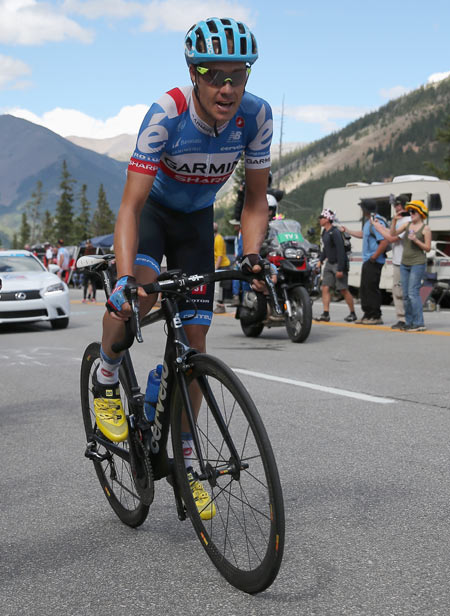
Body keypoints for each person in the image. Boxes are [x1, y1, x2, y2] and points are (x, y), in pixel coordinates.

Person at [93, 17, 272, 519]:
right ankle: (106, 376)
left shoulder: (256, 117)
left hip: (196, 223)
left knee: (195, 346)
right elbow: (129, 207)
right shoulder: (167, 114)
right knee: (141, 296)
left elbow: (256, 201)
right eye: (215, 75)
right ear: (194, 73)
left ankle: (188, 461)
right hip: (153, 215)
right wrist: (125, 281)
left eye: (238, 75)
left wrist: (252, 256)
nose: (228, 88)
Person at [373, 200, 431, 332]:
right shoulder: (407, 224)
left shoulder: (425, 228)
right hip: (405, 263)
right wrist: (394, 221)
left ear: (421, 213)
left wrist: (416, 240)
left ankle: (419, 322)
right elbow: (392, 234)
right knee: (405, 294)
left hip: (418, 263)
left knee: (413, 293)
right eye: (410, 211)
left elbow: (427, 248)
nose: (411, 213)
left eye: (414, 211)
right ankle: (409, 322)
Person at [341, 200, 389, 324]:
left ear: (366, 210)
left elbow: (384, 241)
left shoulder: (377, 222)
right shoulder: (369, 223)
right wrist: (348, 231)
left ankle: (375, 316)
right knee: (365, 288)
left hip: (374, 260)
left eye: (362, 208)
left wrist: (374, 256)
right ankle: (367, 314)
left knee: (372, 288)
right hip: (368, 259)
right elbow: (363, 234)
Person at [369, 195, 411, 329]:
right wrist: (379, 226)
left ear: (404, 205)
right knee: (399, 291)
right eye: (394, 205)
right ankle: (403, 318)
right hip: (399, 260)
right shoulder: (400, 220)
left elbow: (392, 238)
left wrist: (377, 227)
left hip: (403, 261)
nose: (395, 207)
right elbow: (391, 233)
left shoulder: (408, 220)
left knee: (401, 291)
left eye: (397, 205)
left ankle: (404, 319)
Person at [315, 208, 357, 322]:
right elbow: (325, 249)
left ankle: (352, 313)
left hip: (339, 263)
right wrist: (321, 260)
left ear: (328, 219)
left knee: (343, 289)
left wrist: (340, 269)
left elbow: (340, 250)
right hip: (329, 263)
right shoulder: (325, 232)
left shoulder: (335, 232)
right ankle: (325, 313)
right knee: (325, 287)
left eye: (322, 218)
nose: (320, 220)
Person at [213, 222, 231, 313]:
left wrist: (215, 268)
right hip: (219, 265)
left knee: (221, 288)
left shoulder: (218, 239)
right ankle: (220, 306)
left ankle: (221, 306)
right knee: (219, 288)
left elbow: (219, 256)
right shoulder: (215, 238)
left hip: (222, 265)